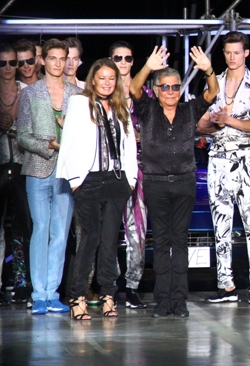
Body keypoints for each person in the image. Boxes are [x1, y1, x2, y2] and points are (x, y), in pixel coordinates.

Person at [130, 45, 219, 318]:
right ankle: (162, 300)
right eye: (165, 87)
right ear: (156, 90)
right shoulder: (147, 110)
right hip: (155, 183)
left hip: (184, 182)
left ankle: (179, 301)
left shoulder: (189, 110)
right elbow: (133, 89)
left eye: (175, 87)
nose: (170, 92)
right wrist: (148, 67)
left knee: (179, 241)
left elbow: (212, 93)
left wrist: (208, 70)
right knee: (161, 241)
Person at [57, 58, 138, 320]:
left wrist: (130, 179)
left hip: (116, 180)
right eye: (102, 78)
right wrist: (75, 181)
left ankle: (108, 295)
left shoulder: (120, 105)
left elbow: (129, 145)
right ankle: (77, 296)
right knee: (90, 237)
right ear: (93, 79)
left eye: (111, 78)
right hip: (88, 180)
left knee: (109, 241)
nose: (107, 83)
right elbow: (69, 141)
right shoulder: (80, 103)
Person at [196, 31, 250, 305]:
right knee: (220, 225)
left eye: (236, 52)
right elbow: (200, 124)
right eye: (227, 52)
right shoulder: (215, 82)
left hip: (247, 158)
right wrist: (215, 124)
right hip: (218, 159)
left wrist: (229, 120)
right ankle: (226, 286)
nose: (232, 57)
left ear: (246, 53)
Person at [17, 38, 82, 315]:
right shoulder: (31, 93)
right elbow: (22, 136)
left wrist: (66, 143)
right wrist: (49, 146)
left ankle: (53, 292)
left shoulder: (77, 94)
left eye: (62, 58)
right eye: (52, 58)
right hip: (37, 167)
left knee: (60, 232)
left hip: (66, 170)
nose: (57, 63)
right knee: (40, 228)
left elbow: (82, 134)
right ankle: (38, 294)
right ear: (43, 60)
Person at [109, 41, 150, 309]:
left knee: (138, 230)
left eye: (127, 58)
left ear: (133, 61)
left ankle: (133, 286)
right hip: (109, 168)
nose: (123, 62)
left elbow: (156, 126)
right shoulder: (103, 91)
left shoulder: (145, 93)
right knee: (109, 230)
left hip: (138, 169)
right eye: (118, 58)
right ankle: (111, 286)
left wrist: (140, 136)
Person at [0, 44, 31, 305]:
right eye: (3, 63)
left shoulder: (27, 92)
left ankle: (22, 283)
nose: (9, 68)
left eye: (13, 63)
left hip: (22, 166)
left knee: (23, 227)